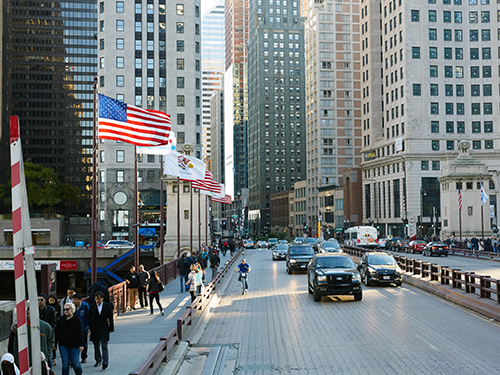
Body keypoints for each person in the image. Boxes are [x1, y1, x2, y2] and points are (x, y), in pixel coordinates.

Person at [55, 302, 83, 375]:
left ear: (72, 309)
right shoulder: (61, 320)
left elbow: (80, 333)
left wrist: (81, 345)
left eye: (67, 309)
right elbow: (57, 332)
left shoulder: (77, 320)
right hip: (63, 344)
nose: (65, 311)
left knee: (76, 364)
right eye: (64, 310)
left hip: (74, 344)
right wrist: (55, 344)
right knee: (65, 364)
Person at [88, 291, 114, 370]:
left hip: (104, 328)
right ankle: (98, 360)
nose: (97, 300)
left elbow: (110, 318)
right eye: (96, 299)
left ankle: (105, 362)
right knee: (96, 345)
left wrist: (111, 328)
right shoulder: (92, 306)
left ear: (102, 298)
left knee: (104, 346)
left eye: (99, 298)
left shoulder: (107, 306)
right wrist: (91, 327)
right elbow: (89, 318)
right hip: (95, 328)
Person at [72, 293, 89, 364]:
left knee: (84, 343)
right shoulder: (72, 307)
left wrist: (88, 327)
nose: (74, 301)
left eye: (76, 300)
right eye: (73, 300)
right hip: (74, 328)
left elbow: (88, 317)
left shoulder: (85, 306)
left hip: (84, 327)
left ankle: (84, 357)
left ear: (80, 300)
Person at [46, 296, 61, 366]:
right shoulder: (47, 308)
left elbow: (59, 314)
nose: (51, 301)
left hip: (55, 325)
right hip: (48, 325)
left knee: (53, 342)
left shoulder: (57, 306)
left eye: (52, 300)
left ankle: (53, 357)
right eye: (50, 300)